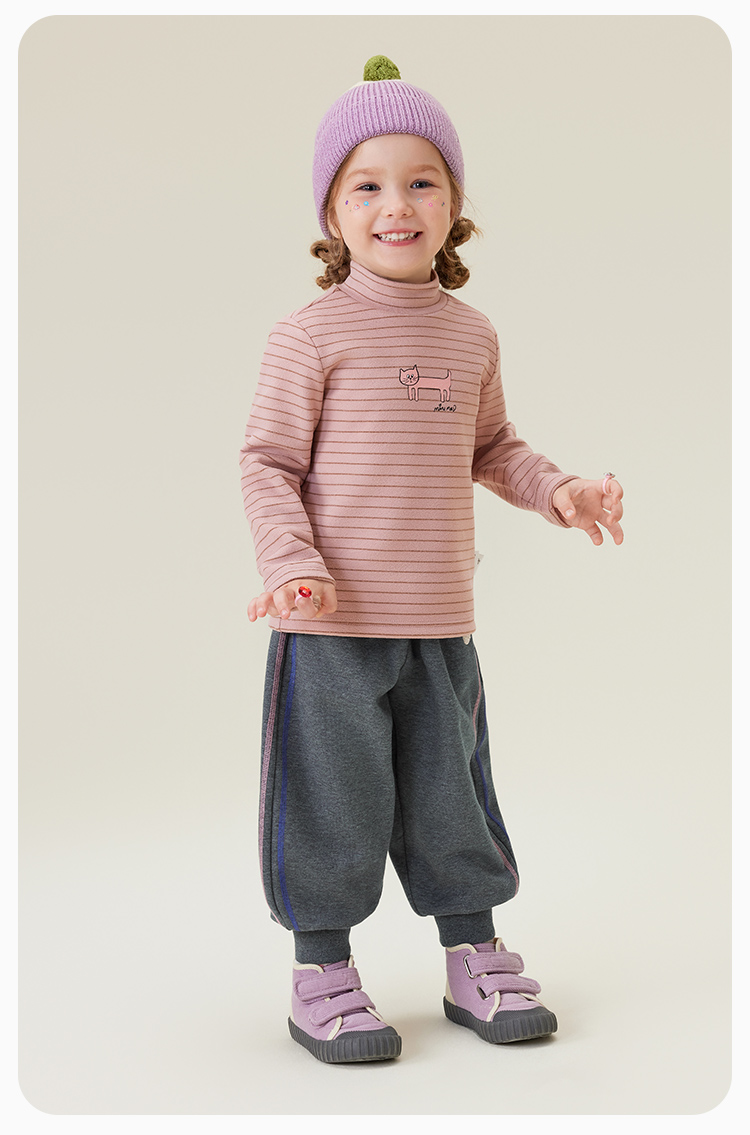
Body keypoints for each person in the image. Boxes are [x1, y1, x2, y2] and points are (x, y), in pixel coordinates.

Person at [239, 55, 624, 1065]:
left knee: (455, 795)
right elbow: (268, 462)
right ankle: (322, 970)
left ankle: (473, 954)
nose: (397, 205)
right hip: (329, 629)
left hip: (441, 624)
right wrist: (290, 562)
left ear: (455, 204)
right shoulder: (309, 335)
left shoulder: (471, 335)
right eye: (367, 185)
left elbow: (493, 447)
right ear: (332, 212)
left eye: (422, 181)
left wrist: (560, 491)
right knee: (332, 802)